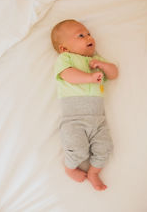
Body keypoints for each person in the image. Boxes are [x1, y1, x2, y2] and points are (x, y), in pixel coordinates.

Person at [51, 19, 118, 191]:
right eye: (81, 35)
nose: (89, 37)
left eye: (89, 34)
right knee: (77, 150)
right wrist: (89, 78)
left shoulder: (95, 59)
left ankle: (94, 172)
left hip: (98, 120)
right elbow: (68, 75)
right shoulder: (65, 58)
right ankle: (69, 168)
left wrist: (103, 65)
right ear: (64, 48)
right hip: (74, 120)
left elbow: (113, 74)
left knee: (105, 148)